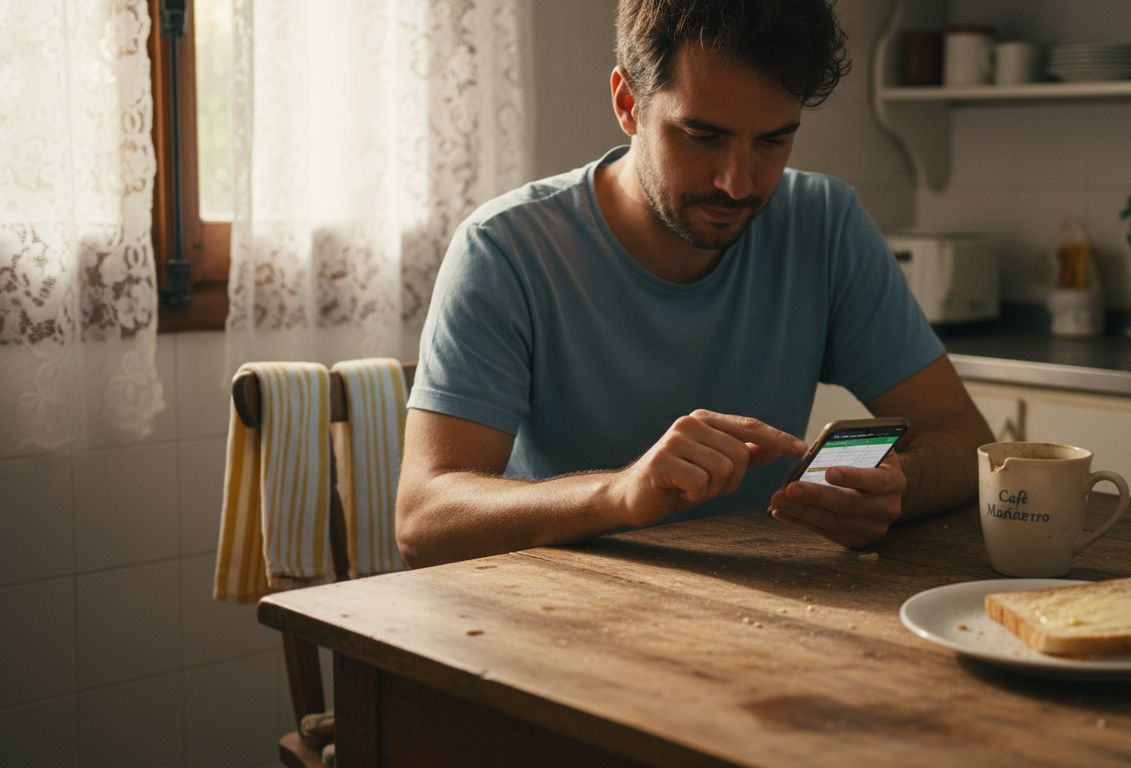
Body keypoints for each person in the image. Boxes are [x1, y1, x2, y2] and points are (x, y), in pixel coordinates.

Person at [396, 0, 993, 567]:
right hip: (559, 609)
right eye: (702, 137)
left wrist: (898, 488)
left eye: (772, 141)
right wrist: (620, 495)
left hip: (765, 599)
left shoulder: (825, 223)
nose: (738, 183)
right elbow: (422, 521)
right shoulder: (506, 249)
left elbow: (967, 439)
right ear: (627, 103)